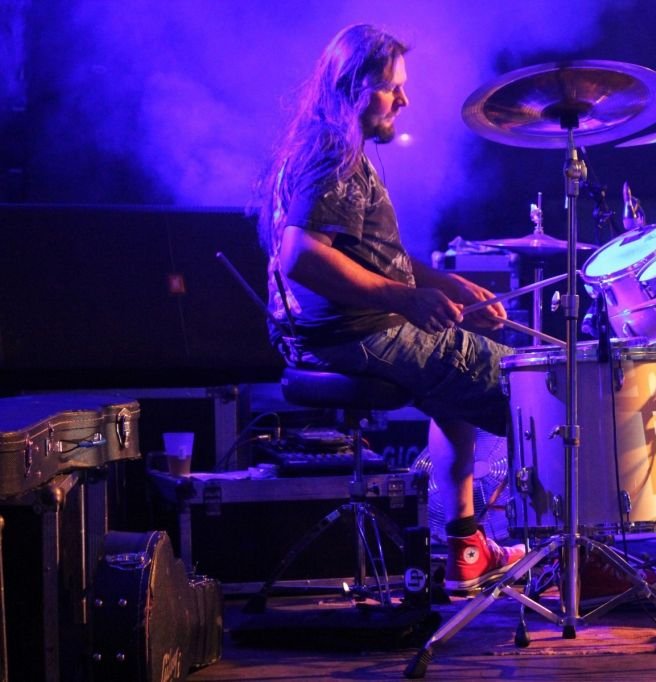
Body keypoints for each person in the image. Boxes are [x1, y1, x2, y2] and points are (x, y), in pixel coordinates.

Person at [254, 24, 524, 592]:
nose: (404, 99)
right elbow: (301, 256)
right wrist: (407, 299)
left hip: (333, 331)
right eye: (390, 86)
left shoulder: (322, 145)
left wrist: (443, 285)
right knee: (537, 392)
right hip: (354, 333)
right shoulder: (334, 152)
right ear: (351, 88)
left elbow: (370, 257)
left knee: (456, 392)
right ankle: (580, 556)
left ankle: (466, 546)